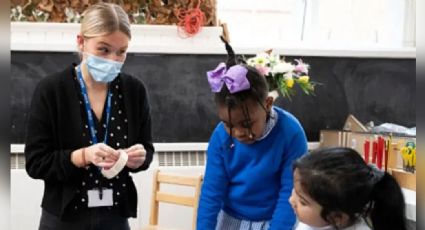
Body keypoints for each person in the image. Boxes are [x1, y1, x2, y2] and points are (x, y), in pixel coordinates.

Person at [24, 3, 154, 229]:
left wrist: (139, 158)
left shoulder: (134, 91)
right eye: (103, 49)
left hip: (115, 216)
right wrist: (82, 156)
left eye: (121, 51)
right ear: (81, 42)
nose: (113, 59)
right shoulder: (51, 90)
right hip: (63, 218)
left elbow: (147, 150)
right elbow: (36, 163)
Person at [197, 37, 308, 230]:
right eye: (228, 124)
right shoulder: (220, 137)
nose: (238, 133)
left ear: (268, 104)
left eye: (246, 124)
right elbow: (211, 192)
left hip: (273, 220)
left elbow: (289, 194)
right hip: (230, 217)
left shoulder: (291, 134)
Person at [289, 147, 406, 230]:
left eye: (303, 202)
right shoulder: (314, 223)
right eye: (294, 190)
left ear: (337, 218)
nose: (291, 200)